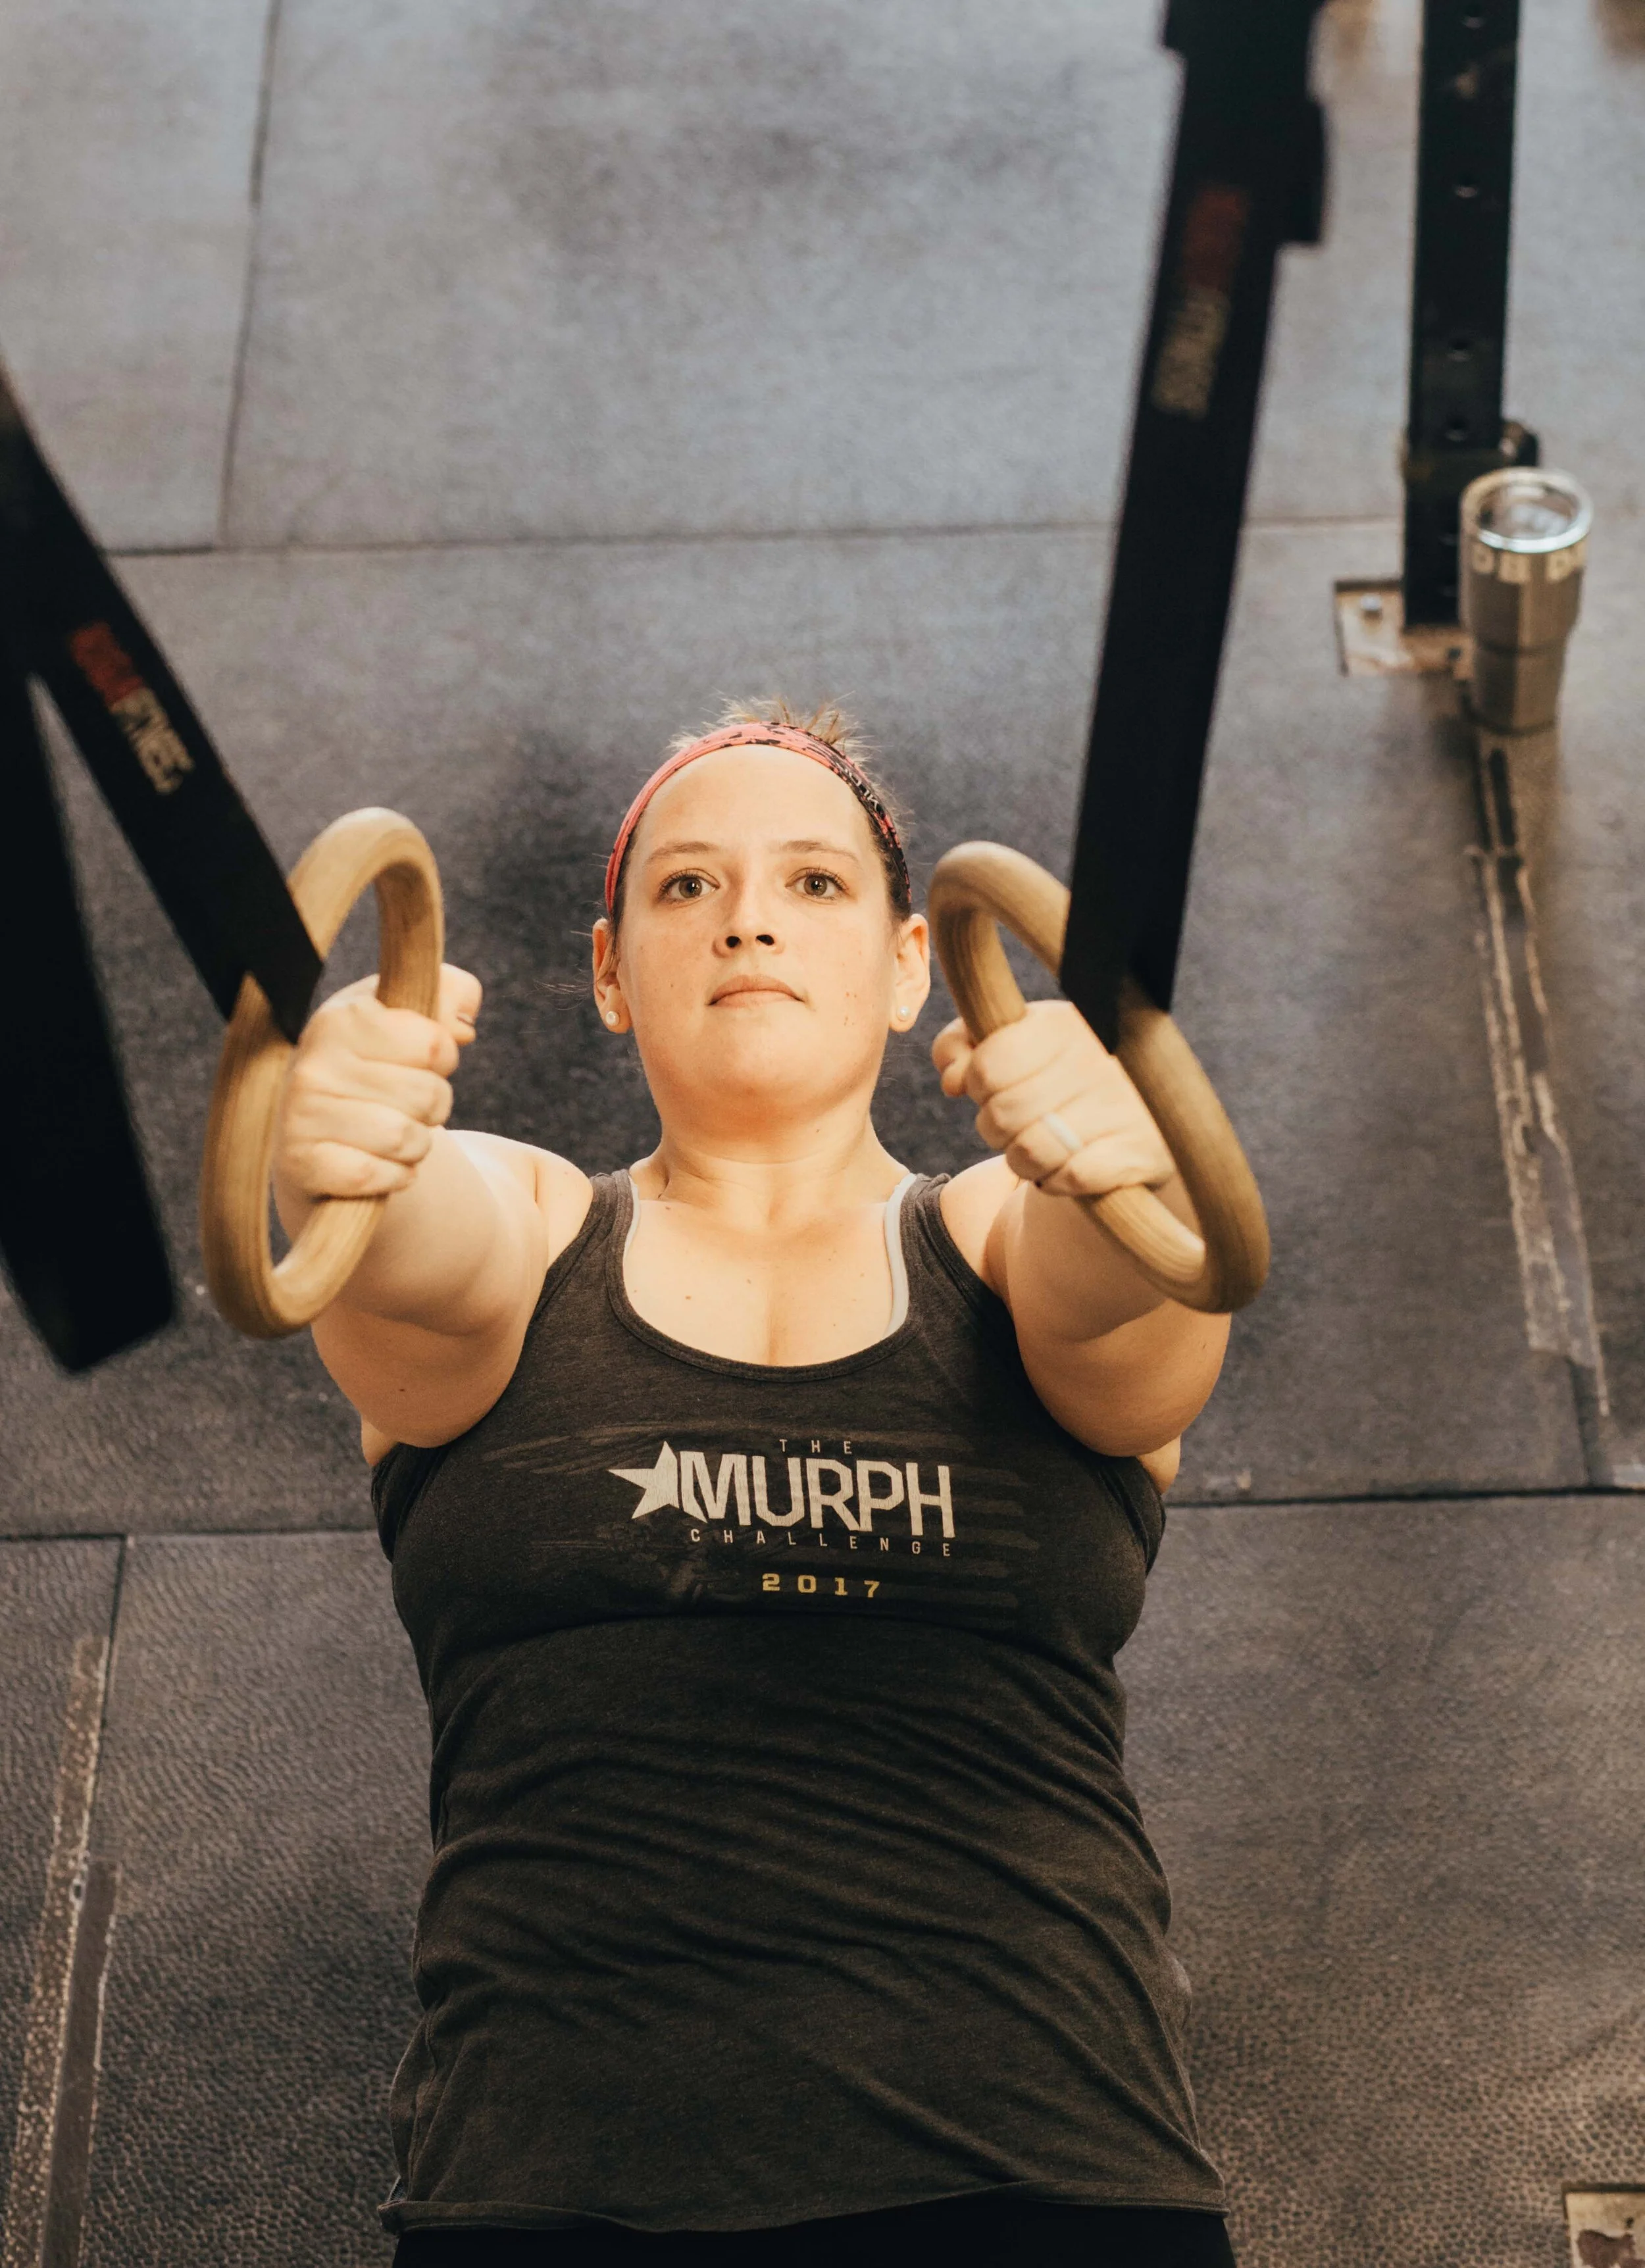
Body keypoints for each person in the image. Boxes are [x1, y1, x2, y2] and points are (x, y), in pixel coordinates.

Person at [274, 703, 1236, 2267]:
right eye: (686, 885)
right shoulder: (528, 1223)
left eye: (812, 881)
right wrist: (338, 1146)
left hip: (1048, 2187)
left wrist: (1126, 1155)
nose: (745, 919)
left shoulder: (1005, 1231)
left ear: (914, 962)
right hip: (550, 2197)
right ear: (609, 973)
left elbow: (1128, 1287)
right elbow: (405, 1247)